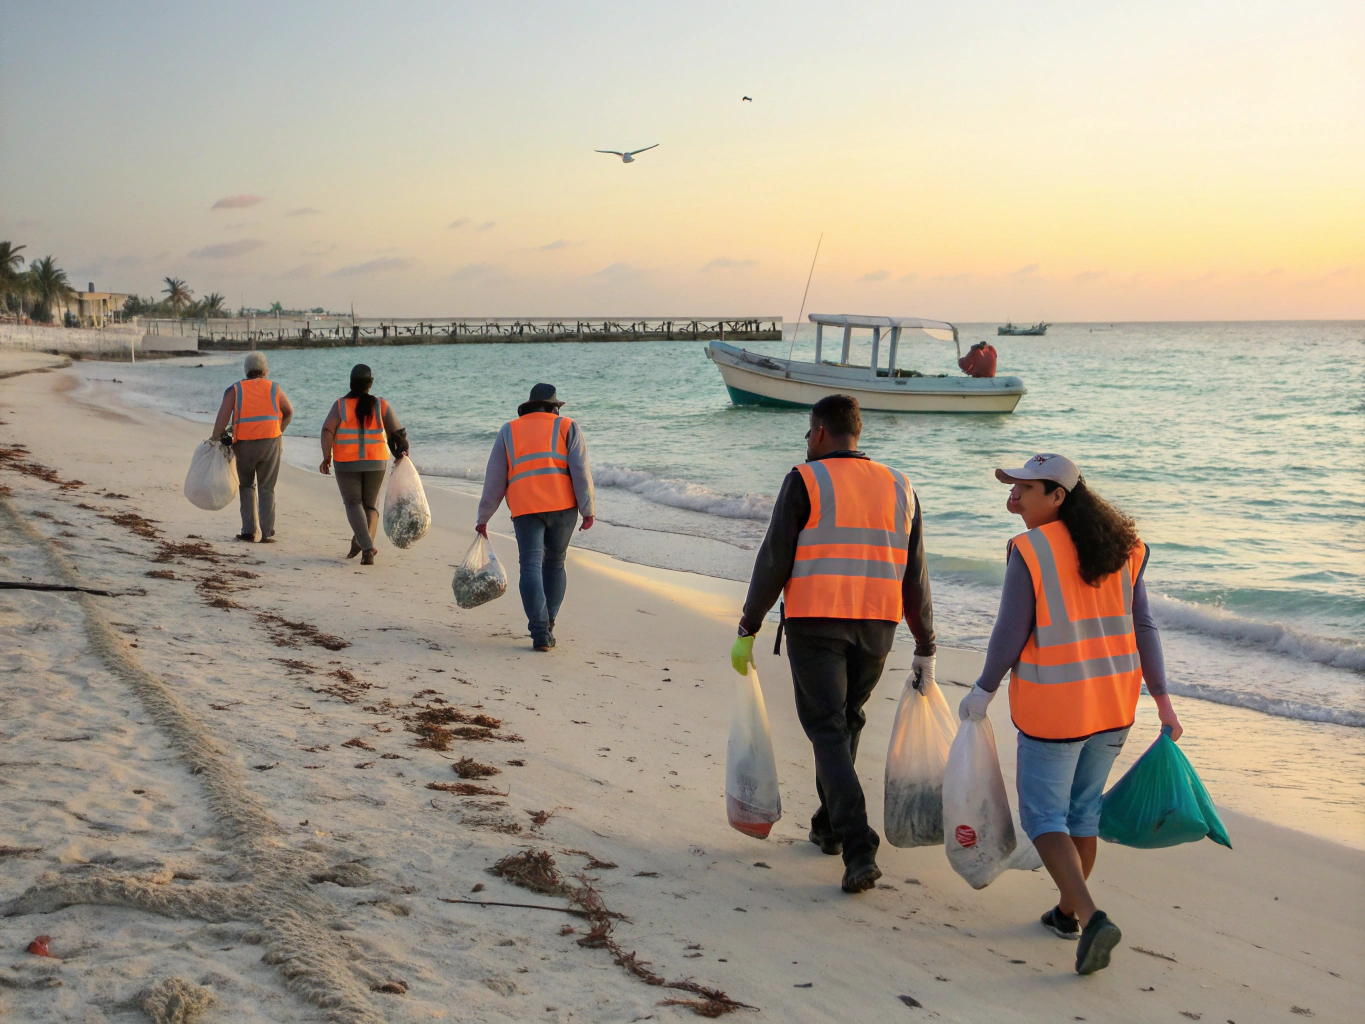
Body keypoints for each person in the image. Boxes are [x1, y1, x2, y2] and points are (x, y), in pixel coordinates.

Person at [958, 453, 1181, 976]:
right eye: (1011, 485)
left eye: (1024, 487)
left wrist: (982, 691)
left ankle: (1089, 914)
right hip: (1113, 707)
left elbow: (1010, 633)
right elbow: (1143, 627)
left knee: (1043, 818)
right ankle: (1065, 915)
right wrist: (1162, 700)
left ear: (1057, 496)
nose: (1012, 494)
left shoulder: (1031, 550)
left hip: (1055, 708)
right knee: (1082, 813)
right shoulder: (1123, 548)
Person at [731, 394, 936, 894]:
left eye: (807, 433)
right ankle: (828, 825)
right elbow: (916, 573)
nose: (807, 442)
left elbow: (775, 557)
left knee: (826, 728)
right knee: (846, 722)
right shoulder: (900, 485)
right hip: (878, 627)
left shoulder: (805, 480)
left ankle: (857, 842)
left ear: (820, 431)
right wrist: (925, 639)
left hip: (817, 621)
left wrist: (748, 625)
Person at [476, 383, 595, 652]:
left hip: (525, 507)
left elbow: (495, 477)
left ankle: (539, 630)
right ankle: (547, 625)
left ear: (529, 406)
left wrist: (483, 516)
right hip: (563, 506)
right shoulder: (567, 426)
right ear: (554, 407)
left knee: (530, 566)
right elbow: (580, 470)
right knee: (555, 563)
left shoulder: (509, 430)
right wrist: (588, 509)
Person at [318, 364, 408, 566]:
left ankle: (366, 546)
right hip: (376, 461)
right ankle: (365, 547)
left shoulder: (340, 405)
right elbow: (398, 432)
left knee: (352, 503)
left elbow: (327, 430)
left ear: (350, 383)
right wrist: (402, 452)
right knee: (370, 506)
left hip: (346, 462)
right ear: (371, 383)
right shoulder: (380, 404)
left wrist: (326, 456)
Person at [210, 352, 294, 543]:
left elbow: (222, 419)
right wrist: (279, 431)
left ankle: (248, 531)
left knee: (247, 485)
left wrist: (215, 438)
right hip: (270, 443)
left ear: (246, 371)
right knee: (267, 488)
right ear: (266, 371)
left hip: (244, 444)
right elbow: (289, 412)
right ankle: (267, 533)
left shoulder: (235, 390)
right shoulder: (274, 389)